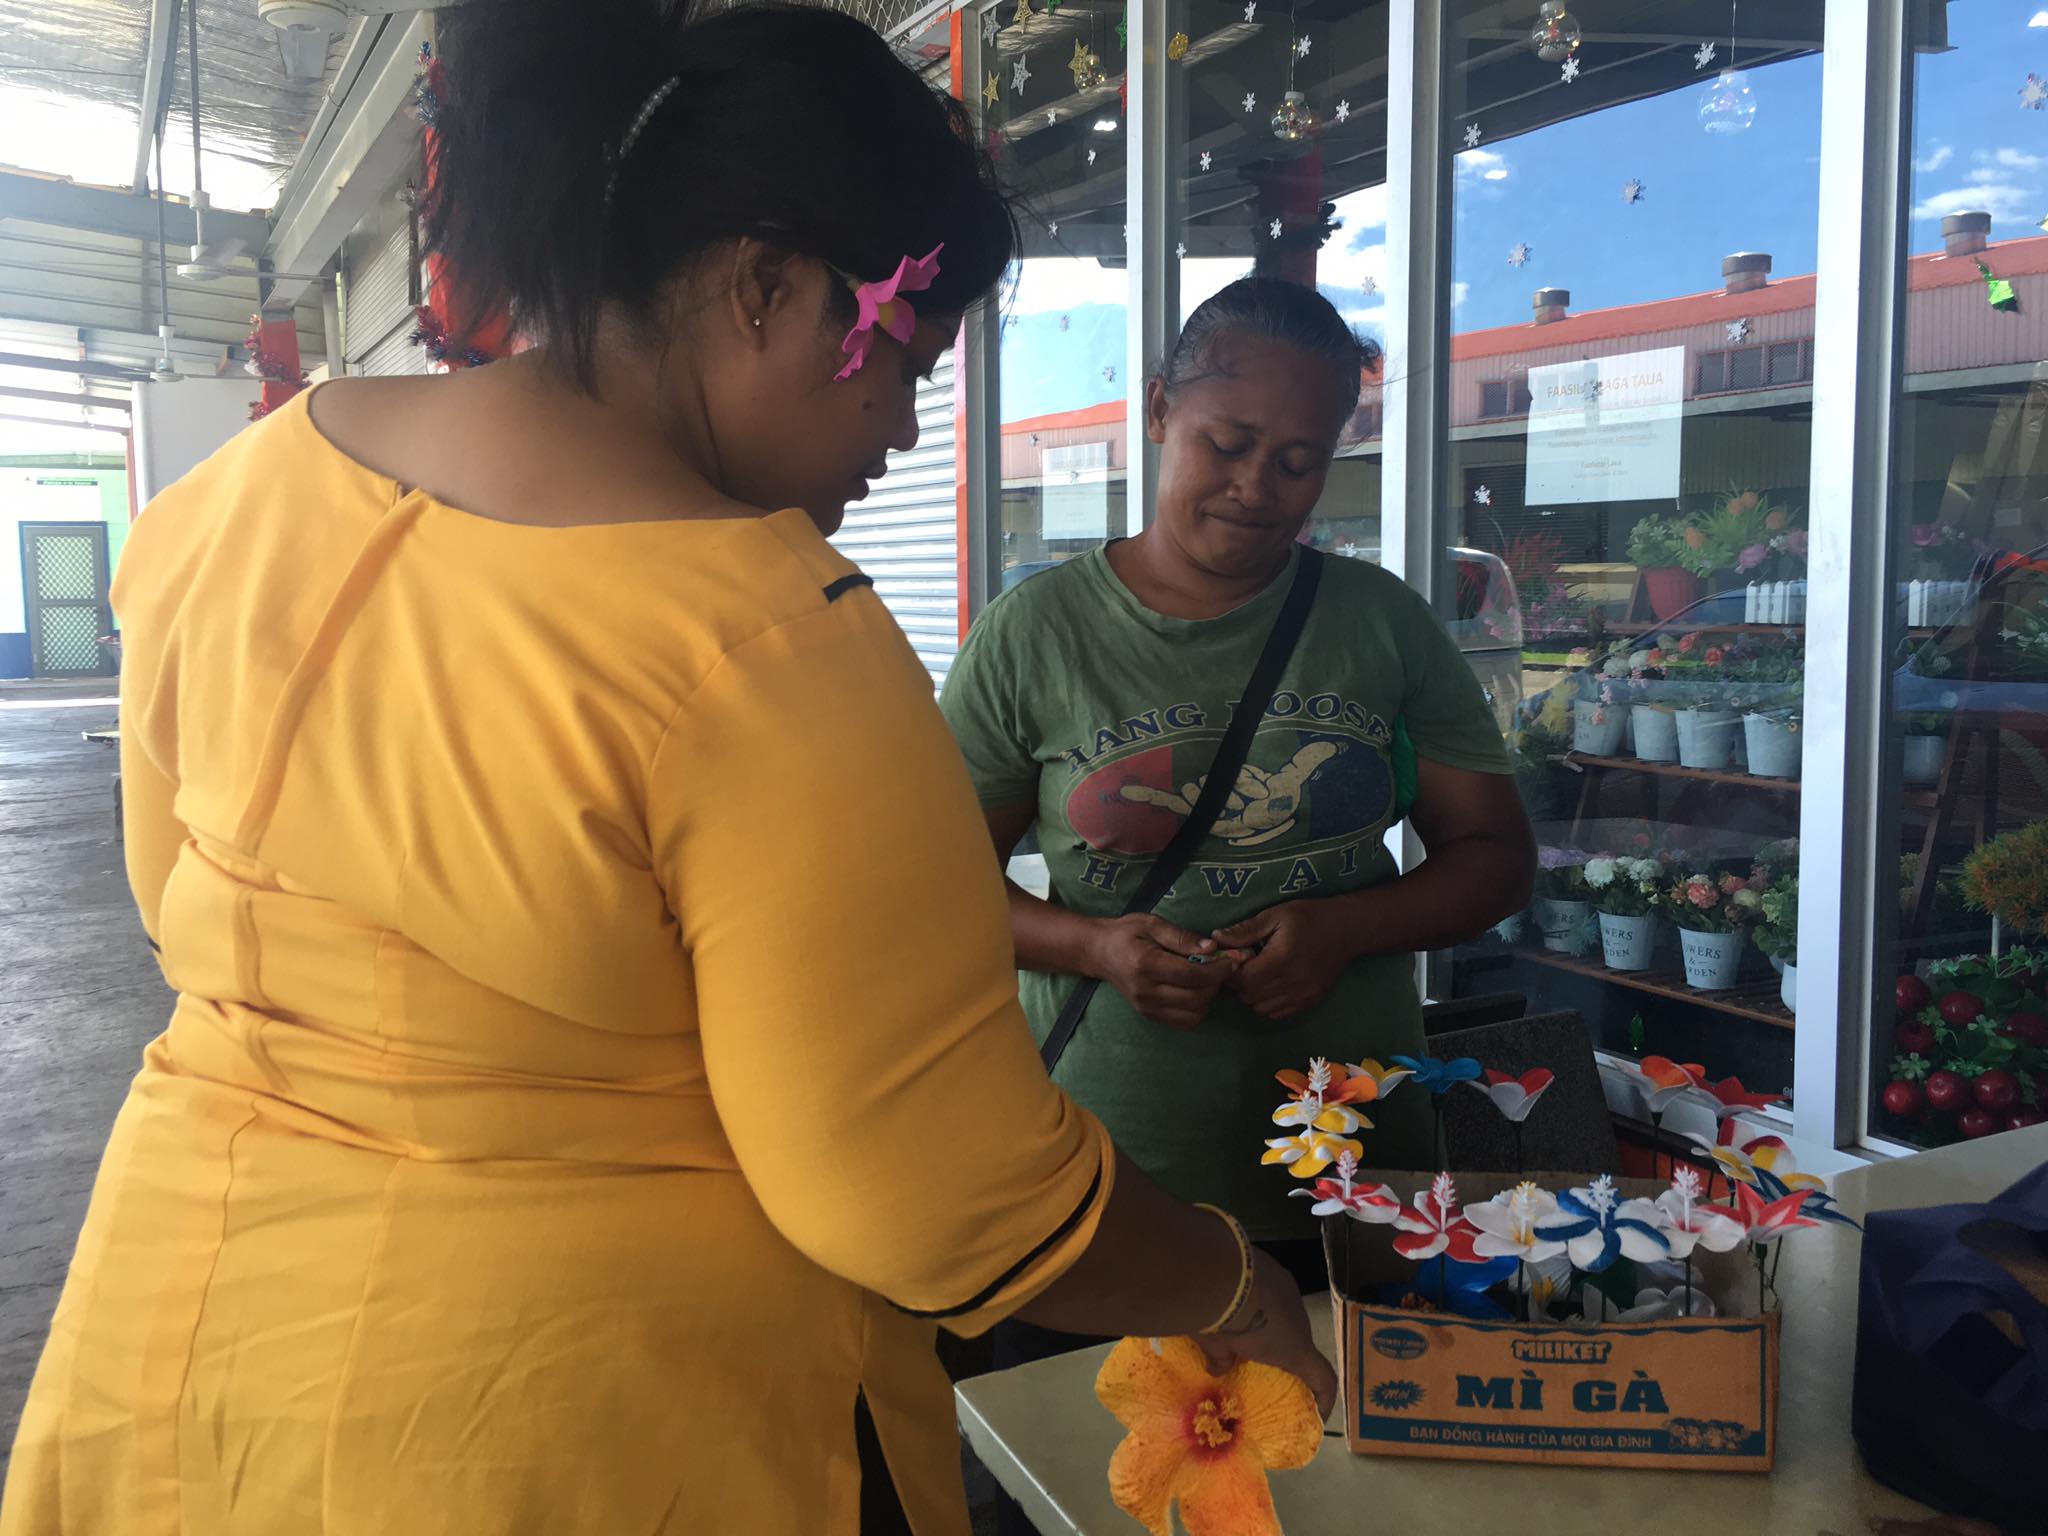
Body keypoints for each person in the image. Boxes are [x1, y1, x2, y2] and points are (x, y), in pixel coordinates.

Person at [0, 8, 1335, 1535]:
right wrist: (1224, 1281)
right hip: (562, 1431)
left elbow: (180, 914)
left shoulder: (236, 496)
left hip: (171, 1363)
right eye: (906, 360)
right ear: (762, 284)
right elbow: (921, 1186)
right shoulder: (766, 643)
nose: (903, 429)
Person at [941, 278, 1537, 1289]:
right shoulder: (1035, 636)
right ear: (1161, 407)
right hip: (1110, 1172)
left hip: (1350, 1169)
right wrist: (1094, 946)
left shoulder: (1378, 624)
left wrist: (1345, 928)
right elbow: (934, 891)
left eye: (1298, 462)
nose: (1256, 486)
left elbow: (1494, 858)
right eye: (1228, 443)